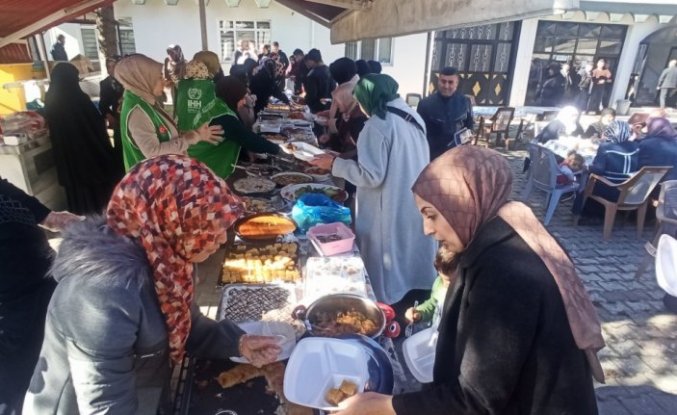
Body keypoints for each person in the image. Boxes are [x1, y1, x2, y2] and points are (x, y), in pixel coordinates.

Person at [336, 145, 604, 415]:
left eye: (432, 215)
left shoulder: (504, 273)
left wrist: (382, 406)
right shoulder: (511, 228)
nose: (427, 229)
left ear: (463, 203)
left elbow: (477, 400)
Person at [23, 155, 282, 414]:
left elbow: (185, 326)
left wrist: (238, 342)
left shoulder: (168, 260)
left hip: (145, 395)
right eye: (207, 227)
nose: (222, 239)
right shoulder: (101, 296)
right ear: (168, 221)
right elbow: (105, 403)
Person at [310, 74, 436, 304]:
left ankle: (387, 303)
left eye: (360, 101)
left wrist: (334, 164)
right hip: (413, 198)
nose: (360, 107)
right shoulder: (412, 115)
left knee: (388, 260)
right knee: (409, 251)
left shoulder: (378, 125)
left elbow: (370, 176)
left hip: (387, 203)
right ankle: (414, 296)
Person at [0, 178, 81, 415]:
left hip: (49, 291)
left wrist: (99, 228)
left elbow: (54, 219)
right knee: (16, 387)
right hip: (11, 314)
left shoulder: (3, 189)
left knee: (59, 375)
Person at [114, 54, 223, 171]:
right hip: (153, 180)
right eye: (159, 77)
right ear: (143, 79)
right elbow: (153, 152)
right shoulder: (138, 112)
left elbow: (163, 134)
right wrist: (189, 139)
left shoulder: (143, 100)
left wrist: (196, 134)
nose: (164, 82)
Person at [44, 63, 120, 214]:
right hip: (90, 158)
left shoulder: (51, 99)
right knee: (97, 201)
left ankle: (81, 221)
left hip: (70, 162)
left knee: (78, 197)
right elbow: (96, 123)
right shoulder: (80, 99)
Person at [188, 76, 282, 178]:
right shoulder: (224, 117)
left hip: (197, 158)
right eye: (241, 98)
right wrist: (278, 150)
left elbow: (238, 134)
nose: (244, 102)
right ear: (233, 96)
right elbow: (248, 138)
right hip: (203, 165)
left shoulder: (217, 104)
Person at [573, 121, 639, 217]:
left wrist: (586, 167)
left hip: (611, 189)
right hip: (629, 190)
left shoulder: (606, 147)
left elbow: (599, 170)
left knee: (585, 177)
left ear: (610, 131)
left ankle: (579, 213)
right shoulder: (635, 146)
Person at [416, 66, 474, 160]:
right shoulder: (424, 104)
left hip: (458, 157)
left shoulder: (466, 103)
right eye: (443, 81)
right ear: (438, 81)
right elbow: (418, 134)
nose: (446, 86)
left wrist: (466, 142)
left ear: (456, 83)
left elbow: (470, 127)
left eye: (450, 82)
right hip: (432, 158)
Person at [404, 249, 455, 326]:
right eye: (442, 278)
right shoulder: (439, 283)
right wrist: (419, 313)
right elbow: (432, 304)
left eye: (448, 281)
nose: (444, 284)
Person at [99, 55, 125, 171]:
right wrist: (110, 116)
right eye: (108, 66)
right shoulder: (105, 83)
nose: (111, 69)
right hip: (117, 118)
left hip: (132, 115)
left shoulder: (127, 79)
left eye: (113, 66)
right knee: (120, 146)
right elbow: (103, 104)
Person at [638, 117, 677, 181]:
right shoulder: (675, 143)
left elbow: (638, 166)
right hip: (674, 184)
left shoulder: (646, 144)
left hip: (651, 185)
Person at [303, 48, 335, 113]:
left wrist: (305, 101)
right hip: (330, 107)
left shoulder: (313, 74)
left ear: (312, 60)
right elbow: (334, 88)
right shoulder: (330, 70)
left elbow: (312, 95)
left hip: (316, 108)